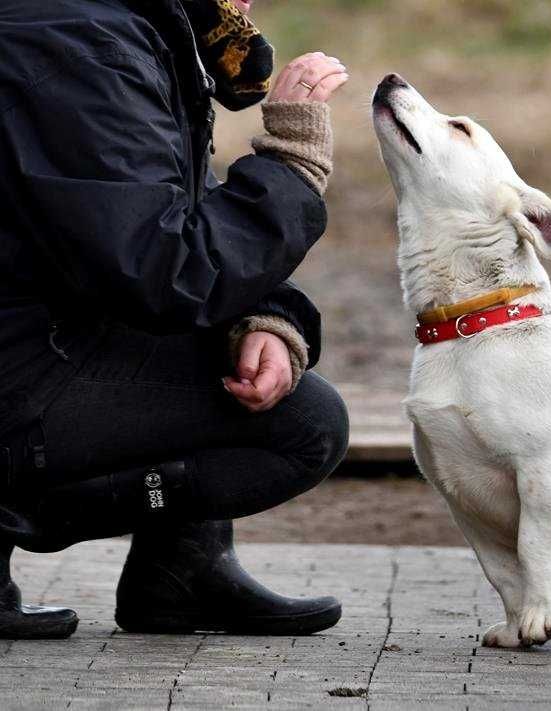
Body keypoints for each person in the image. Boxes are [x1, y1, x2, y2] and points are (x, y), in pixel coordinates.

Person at [0, 0, 353, 638]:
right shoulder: (81, 46)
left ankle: (183, 572)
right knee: (304, 426)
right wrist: (290, 165)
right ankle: (12, 516)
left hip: (30, 336)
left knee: (226, 353)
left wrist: (266, 319)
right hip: (19, 365)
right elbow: (165, 273)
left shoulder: (102, 23)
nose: (245, 3)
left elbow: (166, 212)